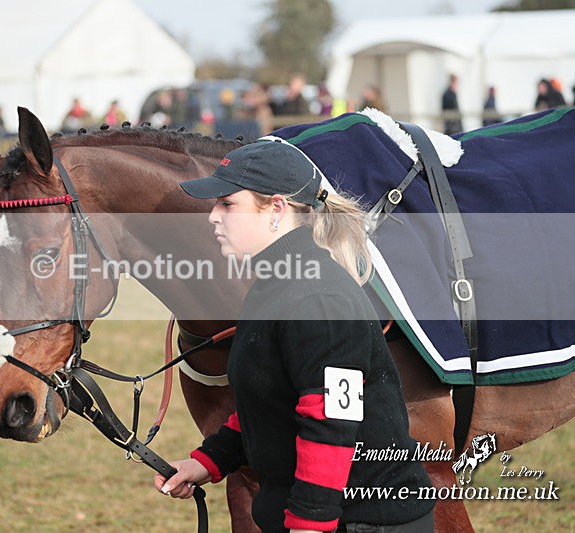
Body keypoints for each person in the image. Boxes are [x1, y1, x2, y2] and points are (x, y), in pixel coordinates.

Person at [154, 141, 435, 532]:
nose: (213, 217)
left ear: (276, 209)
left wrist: (308, 525)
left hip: (362, 522)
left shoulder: (318, 297)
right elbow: (269, 400)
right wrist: (208, 461)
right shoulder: (275, 282)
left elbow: (332, 425)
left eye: (228, 204)